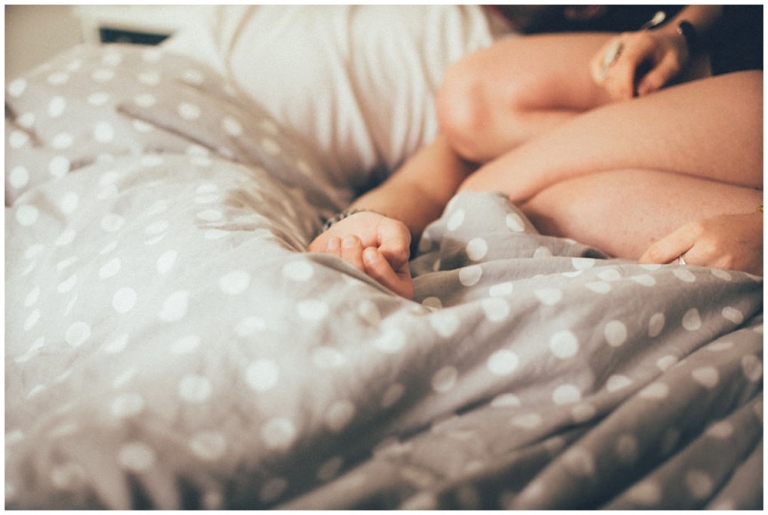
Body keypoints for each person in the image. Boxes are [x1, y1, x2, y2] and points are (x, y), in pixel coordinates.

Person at [307, 5, 763, 299]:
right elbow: (425, 180)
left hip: (741, 63)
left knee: (484, 186)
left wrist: (684, 27)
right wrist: (354, 234)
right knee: (556, 211)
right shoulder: (541, 34)